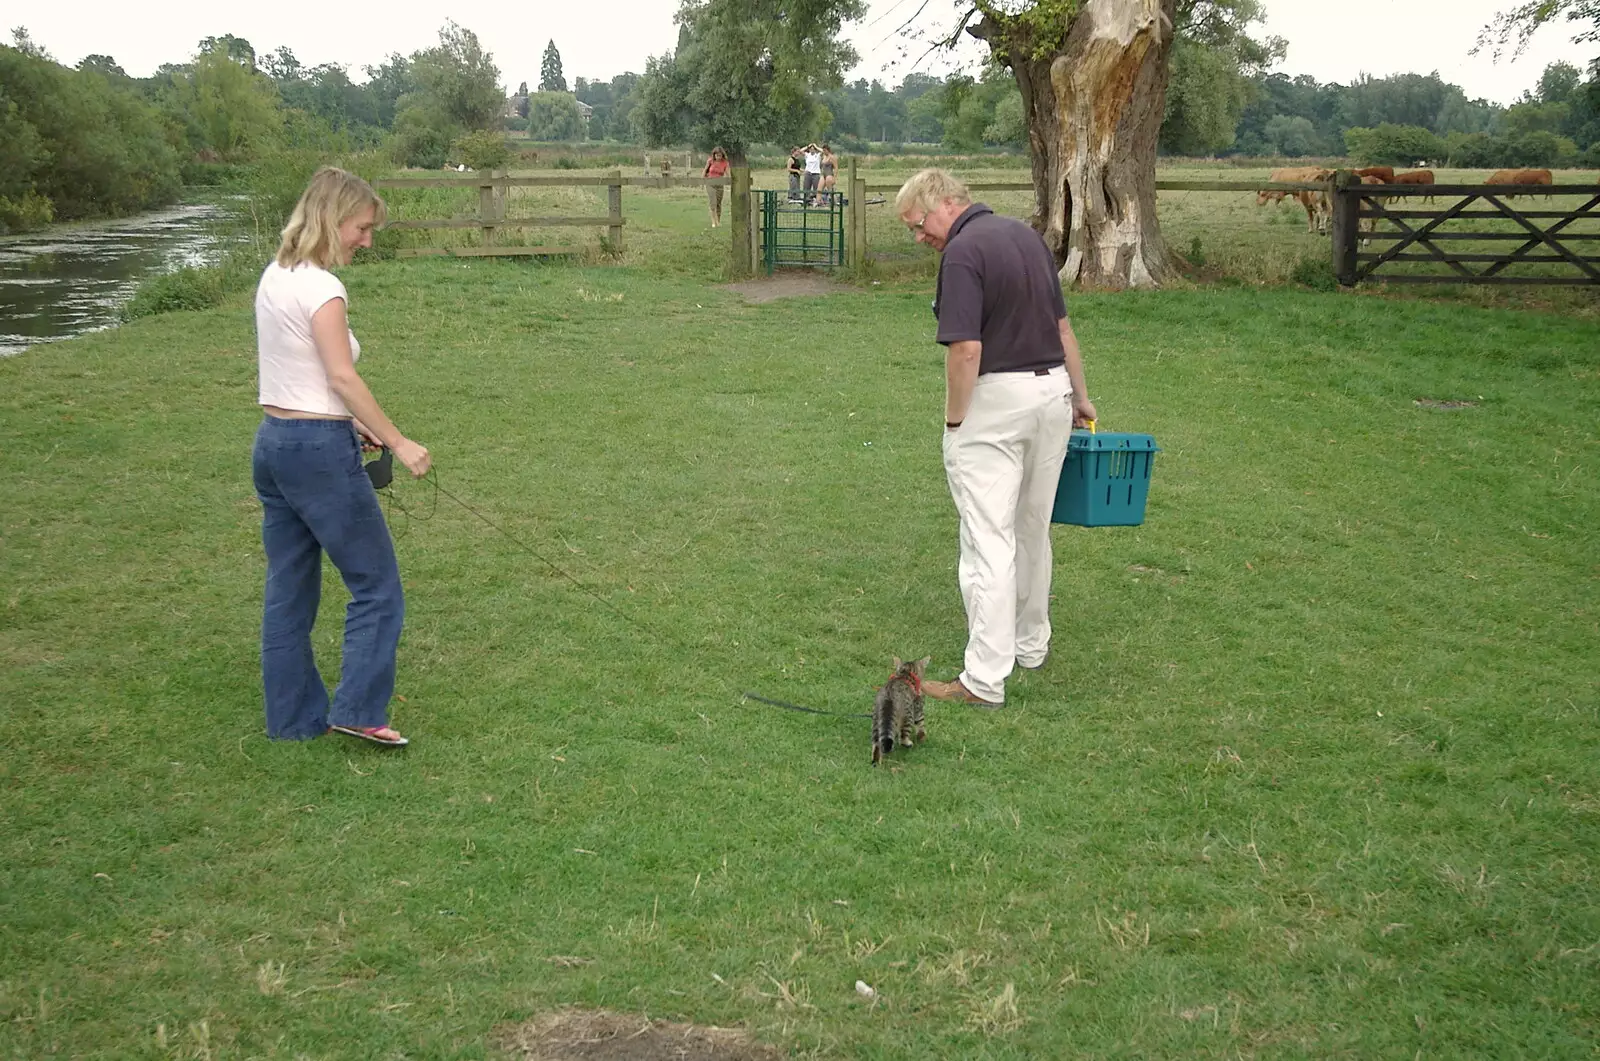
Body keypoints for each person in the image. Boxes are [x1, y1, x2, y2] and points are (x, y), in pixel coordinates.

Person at [895, 168, 1096, 708]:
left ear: (942, 204)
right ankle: (1030, 645)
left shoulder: (962, 254)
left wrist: (956, 421)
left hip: (998, 404)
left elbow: (965, 350)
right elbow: (1063, 329)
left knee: (987, 539)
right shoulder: (1025, 236)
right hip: (1052, 395)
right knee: (1032, 527)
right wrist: (1080, 396)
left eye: (918, 225)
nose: (920, 239)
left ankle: (983, 679)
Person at [252, 167, 432, 746]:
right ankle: (358, 709)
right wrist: (399, 441)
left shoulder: (276, 276)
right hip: (316, 455)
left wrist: (353, 424)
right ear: (333, 219)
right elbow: (340, 376)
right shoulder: (324, 289)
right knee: (377, 586)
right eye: (361, 227)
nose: (366, 240)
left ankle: (292, 721)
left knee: (289, 586)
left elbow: (300, 378)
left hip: (275, 444)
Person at [703, 146, 730, 227]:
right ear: (714, 155)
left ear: (722, 155)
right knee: (713, 202)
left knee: (718, 203)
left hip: (720, 185)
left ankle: (718, 220)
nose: (718, 157)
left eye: (720, 155)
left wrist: (730, 181)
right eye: (717, 155)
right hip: (710, 183)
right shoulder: (710, 161)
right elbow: (705, 170)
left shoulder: (725, 163)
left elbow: (728, 173)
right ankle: (713, 222)